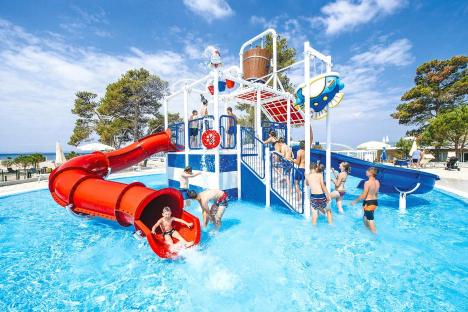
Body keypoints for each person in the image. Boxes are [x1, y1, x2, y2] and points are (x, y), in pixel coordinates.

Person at [351, 167, 380, 234]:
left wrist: (355, 201)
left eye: (367, 171)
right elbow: (376, 193)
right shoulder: (377, 182)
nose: (366, 172)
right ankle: (369, 232)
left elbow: (364, 195)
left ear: (371, 173)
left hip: (368, 203)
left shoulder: (367, 183)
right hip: (374, 202)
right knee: (365, 218)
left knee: (370, 220)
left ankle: (375, 235)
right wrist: (375, 203)